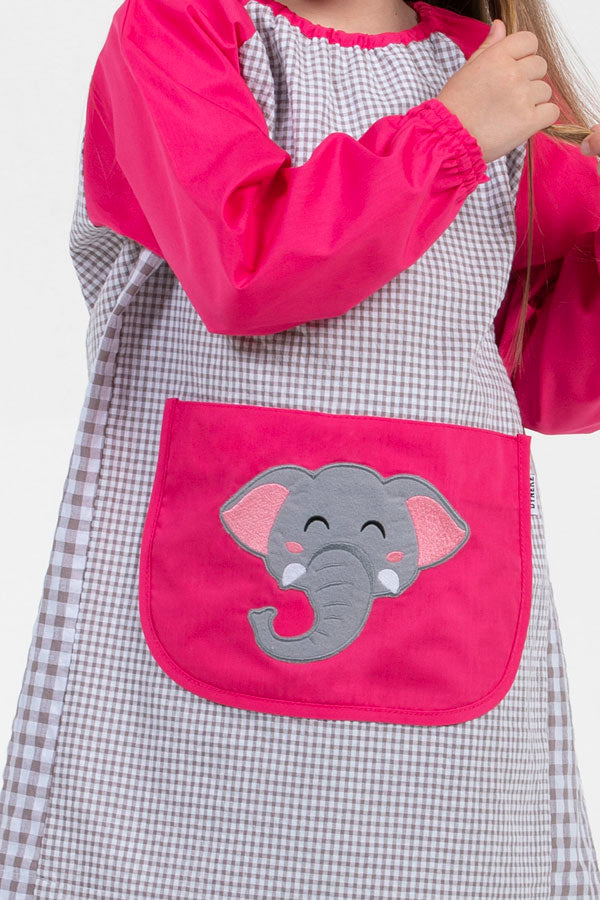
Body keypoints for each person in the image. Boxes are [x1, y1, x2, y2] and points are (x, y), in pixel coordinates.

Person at [1, 0, 600, 895]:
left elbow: (546, 368)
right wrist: (449, 138)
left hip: (431, 661)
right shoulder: (179, 27)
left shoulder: (487, 67)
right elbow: (244, 266)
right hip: (193, 690)